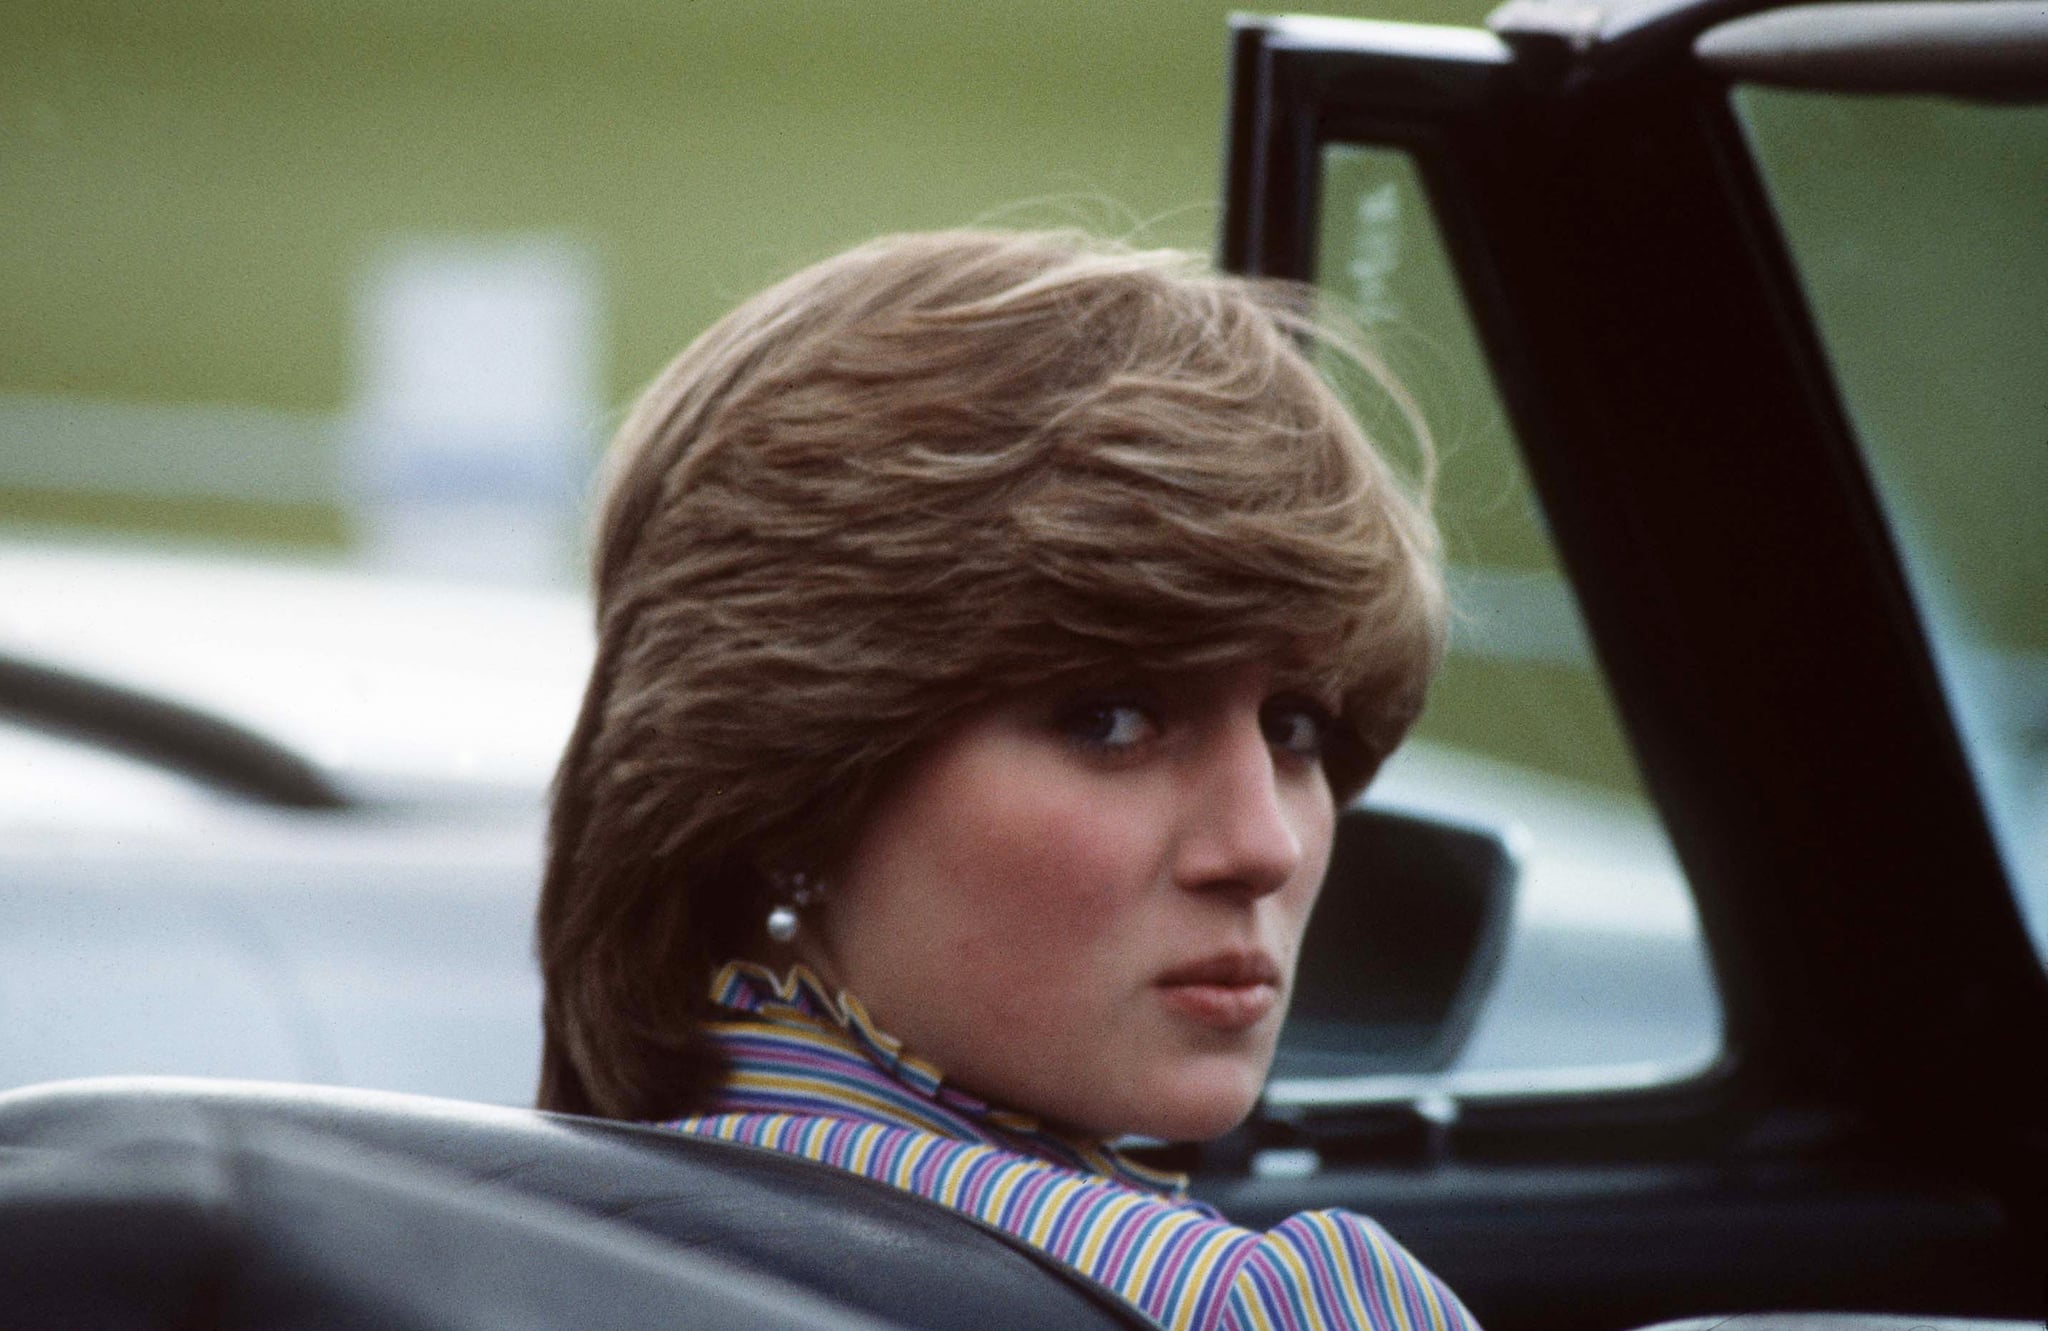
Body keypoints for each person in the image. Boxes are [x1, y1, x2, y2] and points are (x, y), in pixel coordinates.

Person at [535, 229, 1477, 1330]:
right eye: (1109, 719)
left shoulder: (490, 1229)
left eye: (1297, 725)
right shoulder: (1263, 1309)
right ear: (779, 777)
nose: (1262, 842)